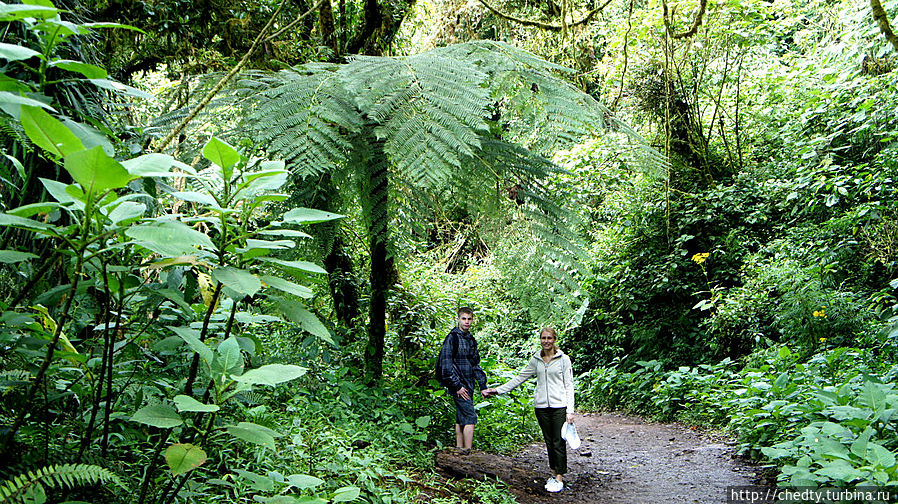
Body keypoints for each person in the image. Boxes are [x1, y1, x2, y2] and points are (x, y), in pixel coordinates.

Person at [483, 327, 575, 493]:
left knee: (558, 441)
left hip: (559, 407)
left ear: (554, 339)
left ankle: (560, 477)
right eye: (543, 338)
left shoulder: (563, 359)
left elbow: (569, 385)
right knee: (549, 441)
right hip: (541, 407)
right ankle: (553, 474)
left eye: (549, 338)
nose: (546, 341)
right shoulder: (536, 360)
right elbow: (520, 378)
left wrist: (570, 410)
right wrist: (497, 390)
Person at [437, 307, 487, 451]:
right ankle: (467, 452)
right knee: (470, 418)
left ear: (472, 320)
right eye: (464, 318)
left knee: (461, 418)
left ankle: (459, 450)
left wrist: (482, 385)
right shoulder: (452, 338)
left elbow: (475, 364)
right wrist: (457, 386)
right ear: (458, 319)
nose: (467, 322)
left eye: (469, 319)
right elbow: (445, 365)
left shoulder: (470, 339)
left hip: (468, 383)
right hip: (459, 385)